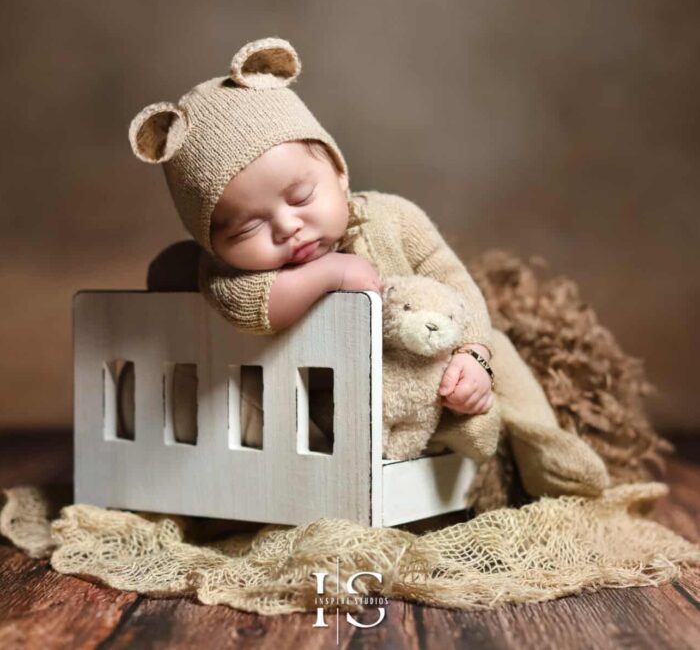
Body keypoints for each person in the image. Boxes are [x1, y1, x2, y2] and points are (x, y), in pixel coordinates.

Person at [130, 37, 609, 497]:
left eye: (300, 197)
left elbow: (455, 283)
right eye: (245, 230)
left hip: (427, 362)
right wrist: (329, 274)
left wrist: (473, 357)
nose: (287, 228)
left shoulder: (393, 218)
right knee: (267, 405)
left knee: (498, 351)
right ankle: (343, 485)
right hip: (329, 404)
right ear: (213, 247)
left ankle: (544, 449)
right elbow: (247, 307)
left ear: (338, 173)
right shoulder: (228, 277)